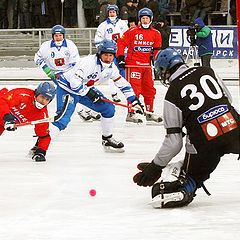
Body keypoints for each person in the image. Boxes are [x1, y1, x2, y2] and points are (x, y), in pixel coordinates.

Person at [133, 48, 240, 208]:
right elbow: (228, 99)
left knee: (193, 176)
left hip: (204, 143)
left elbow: (174, 142)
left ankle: (186, 188)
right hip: (233, 127)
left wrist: (156, 166)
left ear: (164, 71)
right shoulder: (207, 71)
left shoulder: (171, 95)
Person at [35, 37, 144, 152]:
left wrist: (134, 100)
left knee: (108, 108)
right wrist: (90, 93)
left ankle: (107, 138)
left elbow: (122, 83)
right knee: (62, 120)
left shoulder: (111, 68)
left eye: (111, 55)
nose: (108, 58)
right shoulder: (89, 62)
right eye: (106, 55)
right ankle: (40, 144)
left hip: (84, 89)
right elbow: (74, 83)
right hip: (68, 89)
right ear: (100, 53)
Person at [117, 8, 162, 124]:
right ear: (140, 19)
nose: (145, 21)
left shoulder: (156, 33)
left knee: (149, 89)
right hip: (133, 65)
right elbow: (121, 43)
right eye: (143, 18)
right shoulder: (133, 31)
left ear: (151, 19)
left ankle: (149, 112)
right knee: (134, 89)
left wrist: (157, 64)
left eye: (147, 18)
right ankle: (131, 113)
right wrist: (121, 57)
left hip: (146, 66)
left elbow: (156, 50)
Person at [0, 82, 56, 162]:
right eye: (42, 97)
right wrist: (7, 117)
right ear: (37, 94)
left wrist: (41, 152)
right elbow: (2, 101)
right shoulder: (23, 95)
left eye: (47, 99)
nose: (43, 101)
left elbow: (44, 136)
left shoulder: (42, 115)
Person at [95, 4, 129, 102]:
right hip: (110, 53)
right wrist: (102, 51)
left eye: (113, 12)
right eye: (110, 12)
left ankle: (126, 91)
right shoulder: (103, 25)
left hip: (123, 52)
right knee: (111, 72)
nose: (112, 14)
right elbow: (98, 39)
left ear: (117, 13)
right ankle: (114, 93)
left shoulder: (122, 24)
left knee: (123, 72)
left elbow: (127, 37)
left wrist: (127, 48)